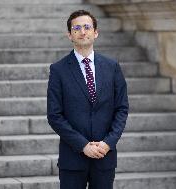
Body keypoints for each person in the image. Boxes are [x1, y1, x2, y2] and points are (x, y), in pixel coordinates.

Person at [47, 10, 129, 189]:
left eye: (87, 27)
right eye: (77, 28)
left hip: (104, 157)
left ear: (96, 32)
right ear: (70, 35)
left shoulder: (112, 67)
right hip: (73, 158)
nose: (82, 32)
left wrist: (108, 143)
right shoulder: (58, 70)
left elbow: (121, 109)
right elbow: (54, 115)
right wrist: (83, 145)